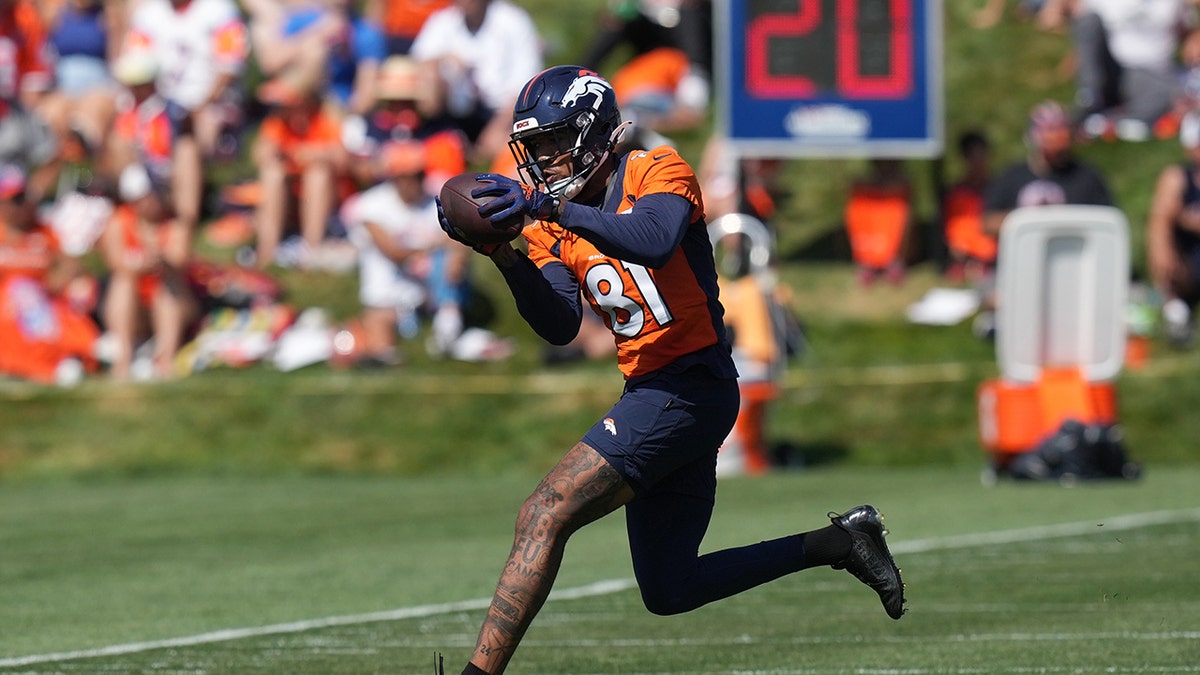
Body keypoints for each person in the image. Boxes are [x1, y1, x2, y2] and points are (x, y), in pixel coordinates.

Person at [433, 65, 906, 675]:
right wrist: (505, 255)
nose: (541, 161)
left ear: (591, 134)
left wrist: (552, 211)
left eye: (552, 143)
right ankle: (840, 543)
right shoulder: (553, 222)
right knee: (670, 589)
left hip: (692, 384)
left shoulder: (656, 168)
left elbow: (653, 238)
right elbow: (558, 323)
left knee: (544, 510)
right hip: (653, 389)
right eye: (536, 149)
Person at [340, 140, 469, 365]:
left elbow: (459, 239)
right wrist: (434, 245)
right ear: (394, 178)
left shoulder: (436, 200)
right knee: (380, 330)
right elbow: (393, 251)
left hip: (428, 288)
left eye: (418, 175)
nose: (414, 182)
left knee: (454, 257)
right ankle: (382, 355)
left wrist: (455, 253)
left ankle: (448, 328)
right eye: (407, 176)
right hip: (388, 294)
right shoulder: (371, 205)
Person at [408, 0, 542, 165]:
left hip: (501, 114)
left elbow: (525, 86)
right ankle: (431, 139)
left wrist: (495, 131)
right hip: (452, 112)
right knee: (427, 76)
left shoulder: (513, 21)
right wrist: (443, 59)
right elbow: (417, 63)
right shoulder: (443, 21)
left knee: (508, 145)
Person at [1046, 0, 1200, 139]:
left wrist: (1193, 41)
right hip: (1115, 67)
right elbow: (1087, 28)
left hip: (1155, 71)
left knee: (1179, 93)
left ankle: (1103, 122)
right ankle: (1090, 98)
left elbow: (1188, 32)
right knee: (1088, 20)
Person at [98, 163, 197, 380]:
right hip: (137, 307)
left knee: (167, 283)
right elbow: (115, 262)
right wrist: (141, 265)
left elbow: (179, 260)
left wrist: (160, 260)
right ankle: (123, 361)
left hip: (176, 304)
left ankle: (166, 361)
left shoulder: (176, 223)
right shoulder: (119, 221)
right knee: (123, 281)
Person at [983, 100, 1115, 238]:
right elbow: (988, 223)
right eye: (1050, 130)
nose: (1056, 138)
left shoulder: (1087, 178)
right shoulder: (1012, 176)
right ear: (1033, 136)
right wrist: (1029, 218)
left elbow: (1107, 220)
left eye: (1062, 130)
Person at [1147, 110, 1200, 345]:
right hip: (1188, 263)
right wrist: (1162, 254)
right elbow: (1161, 217)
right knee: (1160, 235)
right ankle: (1175, 307)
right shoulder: (1177, 178)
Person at [942, 129, 997, 284]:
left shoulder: (999, 190)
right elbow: (954, 235)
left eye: (982, 156)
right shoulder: (956, 194)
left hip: (994, 258)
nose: (978, 162)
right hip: (965, 257)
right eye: (974, 157)